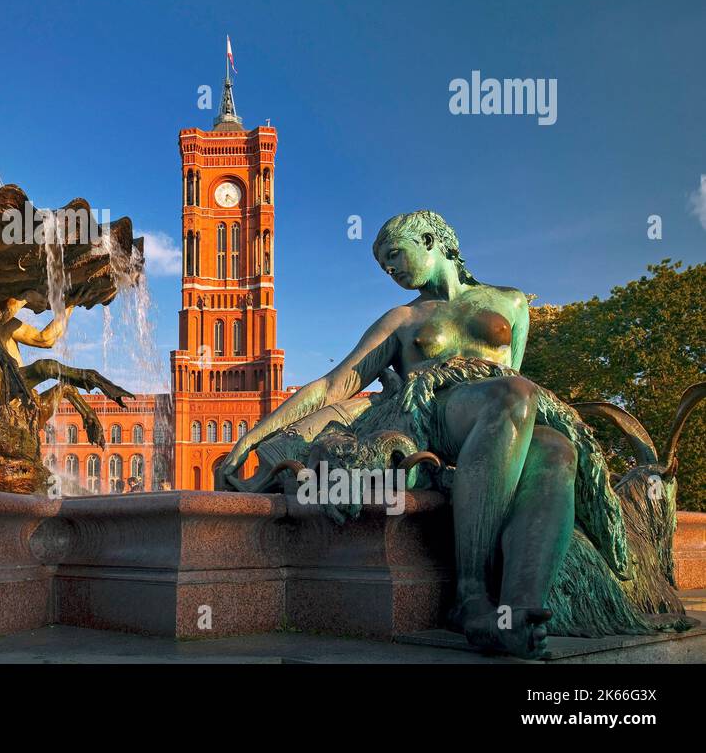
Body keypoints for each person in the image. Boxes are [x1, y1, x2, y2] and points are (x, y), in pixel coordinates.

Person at [216, 210, 680, 658]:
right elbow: (334, 385)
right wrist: (253, 437)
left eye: (395, 254)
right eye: (383, 264)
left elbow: (510, 381)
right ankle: (470, 594)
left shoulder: (512, 303)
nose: (390, 268)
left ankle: (518, 612)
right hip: (432, 415)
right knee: (514, 394)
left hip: (495, 414)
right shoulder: (402, 319)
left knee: (555, 449)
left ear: (431, 242)